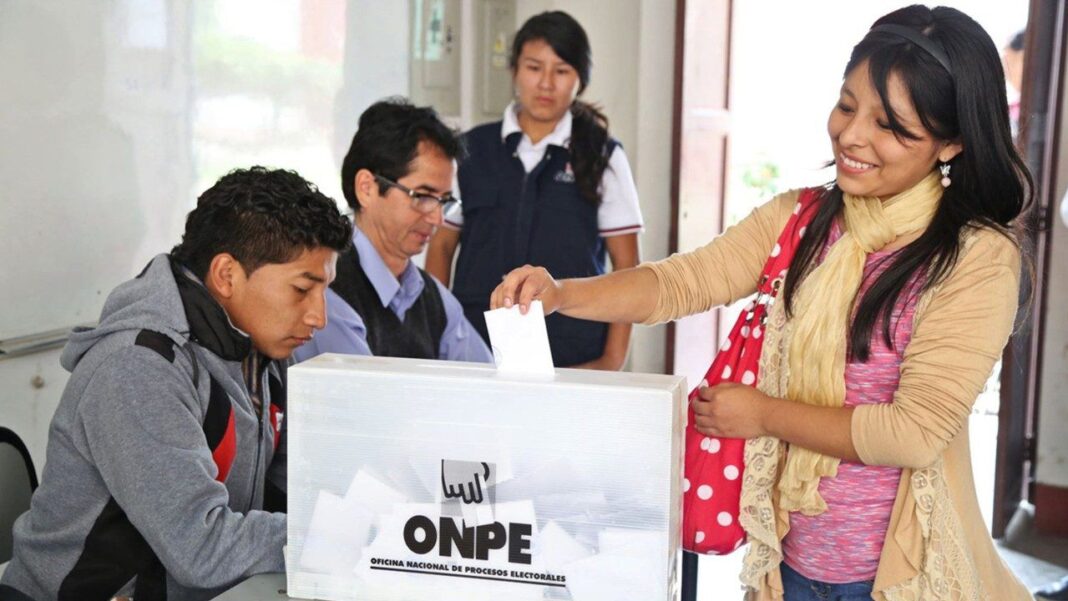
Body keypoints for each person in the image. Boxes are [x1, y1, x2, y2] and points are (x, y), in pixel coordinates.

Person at [492, 6, 1033, 600]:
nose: (852, 135)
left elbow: (912, 433)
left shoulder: (975, 259)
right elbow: (681, 282)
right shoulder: (800, 220)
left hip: (898, 577)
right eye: (847, 106)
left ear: (950, 142)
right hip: (787, 565)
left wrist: (763, 414)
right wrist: (561, 294)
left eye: (891, 126)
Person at [0, 167, 352, 601]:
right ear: (226, 275)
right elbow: (199, 545)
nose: (319, 316)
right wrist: (341, 533)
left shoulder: (258, 351)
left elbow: (287, 489)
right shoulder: (137, 368)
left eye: (324, 292)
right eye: (302, 290)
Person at [425, 10, 643, 370]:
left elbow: (627, 266)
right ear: (514, 70)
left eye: (561, 71)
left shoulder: (603, 155)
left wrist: (612, 360)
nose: (545, 83)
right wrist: (436, 331)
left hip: (574, 353)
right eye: (533, 67)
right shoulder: (471, 150)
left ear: (580, 80)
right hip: (475, 347)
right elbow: (442, 245)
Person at [293, 98, 491, 364]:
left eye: (444, 200)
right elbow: (366, 398)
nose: (437, 217)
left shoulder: (436, 299)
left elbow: (485, 377)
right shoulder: (327, 287)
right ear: (367, 188)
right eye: (422, 195)